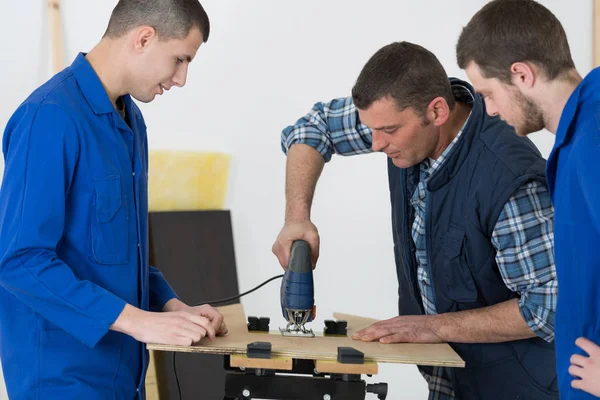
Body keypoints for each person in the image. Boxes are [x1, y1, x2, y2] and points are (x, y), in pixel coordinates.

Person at [272, 41, 559, 399]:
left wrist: (436, 327)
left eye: (388, 131)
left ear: (437, 111)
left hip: (516, 388)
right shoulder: (404, 123)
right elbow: (312, 128)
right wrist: (297, 218)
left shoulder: (508, 179)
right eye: (370, 129)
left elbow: (549, 306)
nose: (375, 144)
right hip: (446, 378)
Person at [0, 1, 227, 399]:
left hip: (123, 378)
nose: (181, 78)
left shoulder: (130, 120)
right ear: (143, 38)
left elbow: (119, 249)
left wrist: (170, 304)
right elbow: (19, 261)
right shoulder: (48, 117)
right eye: (179, 59)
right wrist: (139, 323)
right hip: (62, 380)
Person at [456, 0, 600, 398]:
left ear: (521, 74)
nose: (487, 109)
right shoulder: (576, 138)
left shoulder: (593, 140)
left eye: (487, 92)